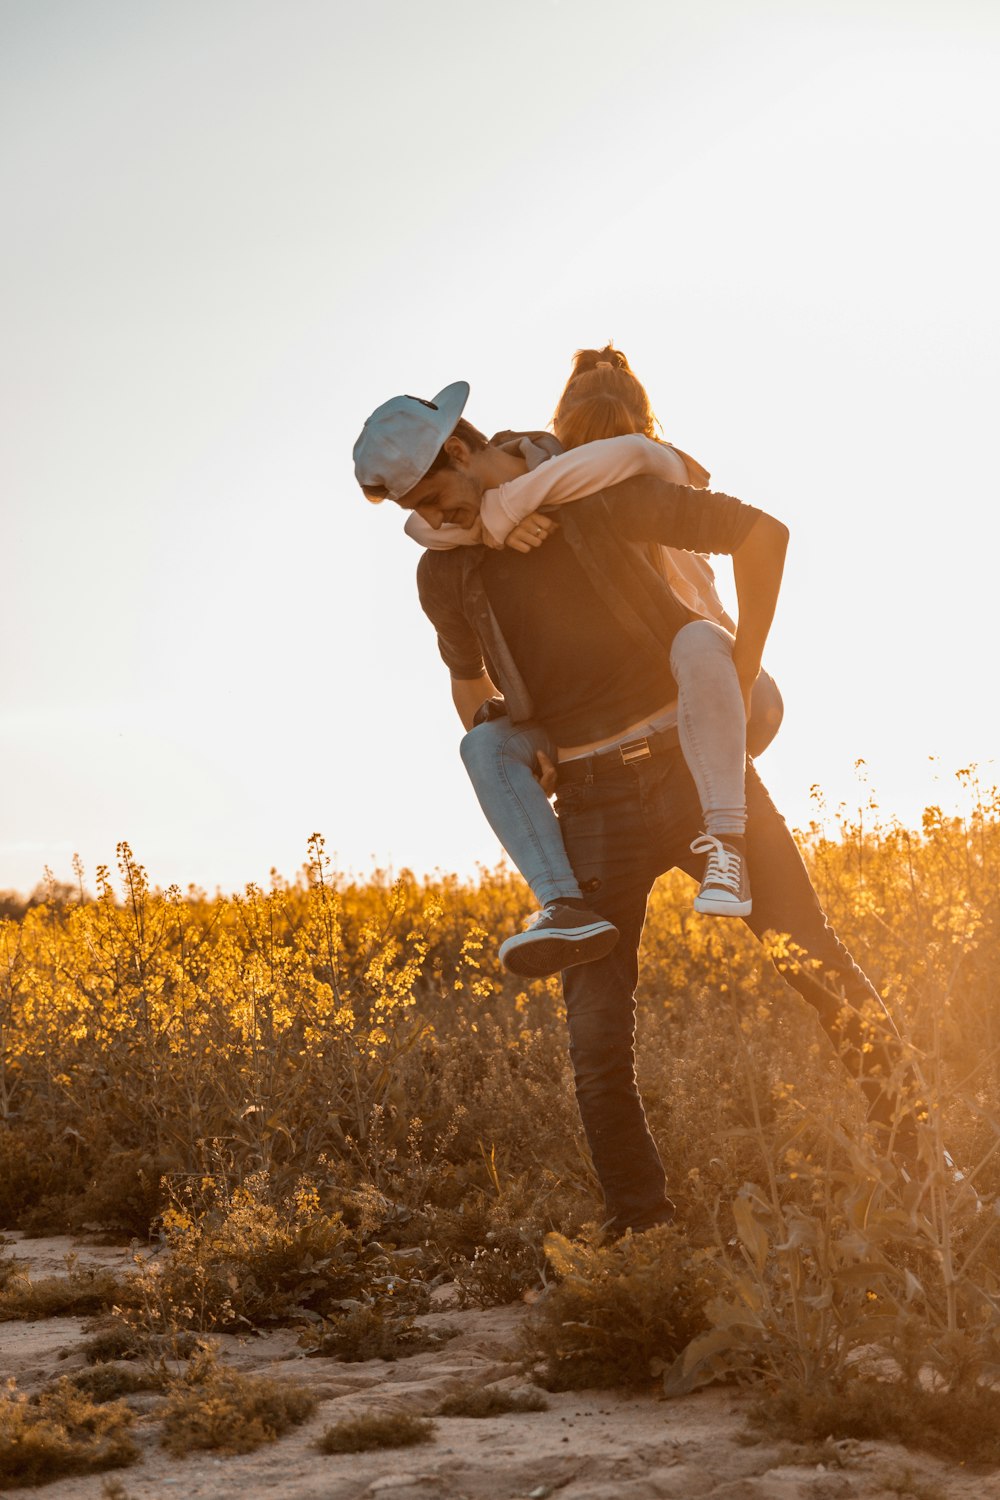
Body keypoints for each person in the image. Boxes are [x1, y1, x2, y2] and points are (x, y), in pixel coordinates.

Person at [353, 377, 917, 1235]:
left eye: (436, 497)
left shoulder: (595, 495)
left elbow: (762, 534)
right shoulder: (445, 571)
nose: (436, 518)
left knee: (816, 963)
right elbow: (466, 677)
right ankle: (639, 1228)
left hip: (693, 775)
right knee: (596, 1041)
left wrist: (740, 663)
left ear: (461, 452)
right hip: (588, 803)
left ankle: (926, 1170)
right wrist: (512, 744)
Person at [402, 348, 784, 978]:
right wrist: (498, 522)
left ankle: (727, 841)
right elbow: (430, 533)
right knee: (494, 748)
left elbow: (627, 459)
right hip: (692, 706)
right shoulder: (557, 491)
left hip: (722, 694)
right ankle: (583, 897)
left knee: (693, 653)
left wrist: (502, 515)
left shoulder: (610, 481)